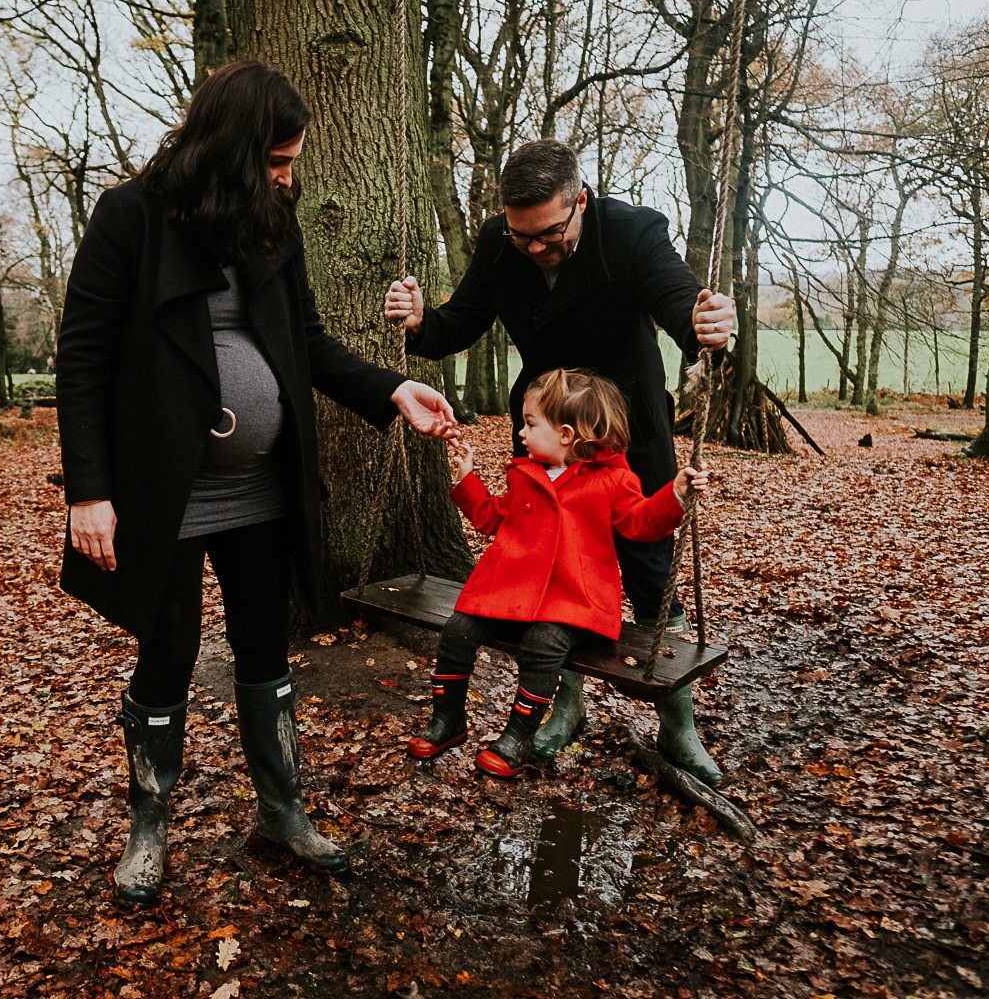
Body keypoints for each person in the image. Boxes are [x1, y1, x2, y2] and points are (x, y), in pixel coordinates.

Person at [58, 60, 459, 907]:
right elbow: (83, 357)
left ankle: (281, 812)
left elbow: (305, 341)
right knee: (165, 654)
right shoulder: (131, 216)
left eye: (292, 162)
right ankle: (150, 826)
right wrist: (87, 490)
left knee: (266, 650)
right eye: (276, 162)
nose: (289, 178)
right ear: (230, 150)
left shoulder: (273, 224)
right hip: (166, 492)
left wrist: (391, 388)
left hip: (263, 492)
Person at [383, 139, 733, 784]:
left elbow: (678, 300)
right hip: (544, 440)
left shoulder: (630, 233)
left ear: (581, 200)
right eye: (522, 239)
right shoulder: (500, 242)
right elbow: (455, 328)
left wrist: (703, 322)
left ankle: (678, 726)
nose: (534, 249)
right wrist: (419, 319)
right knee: (548, 584)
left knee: (654, 583)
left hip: (630, 442)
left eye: (548, 235)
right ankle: (562, 710)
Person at [408, 369, 709, 777]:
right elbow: (493, 518)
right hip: (511, 592)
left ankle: (517, 736)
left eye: (530, 424)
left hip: (574, 600)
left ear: (566, 434)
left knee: (543, 644)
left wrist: (673, 495)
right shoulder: (524, 473)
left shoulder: (613, 480)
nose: (520, 432)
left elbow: (640, 522)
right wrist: (467, 482)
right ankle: (448, 720)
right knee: (457, 629)